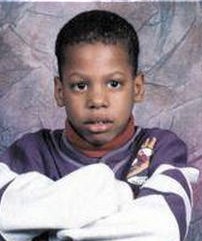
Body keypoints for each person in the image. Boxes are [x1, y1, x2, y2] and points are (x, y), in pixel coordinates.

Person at [0, 10, 199, 241]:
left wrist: (50, 224)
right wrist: (118, 194)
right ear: (59, 91)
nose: (97, 100)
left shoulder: (161, 148)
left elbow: (164, 228)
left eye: (114, 83)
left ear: (137, 88)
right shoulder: (31, 151)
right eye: (80, 86)